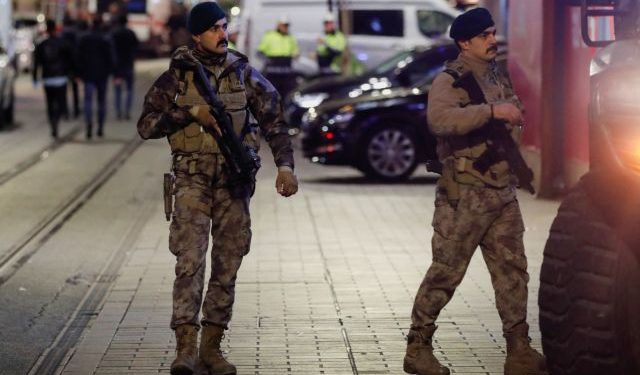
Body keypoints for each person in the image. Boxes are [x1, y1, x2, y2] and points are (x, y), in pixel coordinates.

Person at [136, 2, 299, 375]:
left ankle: (212, 346)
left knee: (228, 264)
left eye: (224, 26)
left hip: (234, 183)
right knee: (189, 263)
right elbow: (146, 125)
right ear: (196, 35)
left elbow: (274, 119)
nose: (222, 34)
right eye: (213, 29)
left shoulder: (243, 73)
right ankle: (185, 349)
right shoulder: (176, 77)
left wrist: (285, 167)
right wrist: (188, 112)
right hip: (192, 180)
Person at [403, 8, 548, 375]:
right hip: (464, 195)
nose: (491, 40)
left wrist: (507, 113)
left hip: (501, 192)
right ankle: (418, 348)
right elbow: (440, 120)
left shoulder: (497, 73)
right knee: (446, 273)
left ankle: (519, 352)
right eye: (484, 35)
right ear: (464, 42)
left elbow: (512, 111)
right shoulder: (450, 80)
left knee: (512, 272)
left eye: (493, 33)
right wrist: (493, 111)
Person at [32, 19, 73, 139]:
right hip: (60, 79)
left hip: (48, 79)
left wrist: (35, 78)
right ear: (56, 29)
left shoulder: (41, 45)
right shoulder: (63, 43)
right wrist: (71, 73)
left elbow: (36, 63)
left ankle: (53, 123)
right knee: (60, 103)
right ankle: (56, 120)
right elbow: (70, 60)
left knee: (50, 104)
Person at [77, 15, 115, 139]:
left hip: (88, 74)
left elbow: (79, 57)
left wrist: (79, 73)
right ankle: (100, 128)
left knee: (88, 101)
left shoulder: (84, 38)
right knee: (101, 101)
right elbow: (111, 58)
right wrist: (112, 72)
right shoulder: (105, 39)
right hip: (102, 75)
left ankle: (89, 125)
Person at [257, 16, 299, 96]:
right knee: (272, 95)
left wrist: (296, 54)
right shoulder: (269, 36)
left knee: (287, 95)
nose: (286, 27)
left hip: (286, 74)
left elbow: (295, 51)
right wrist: (267, 60)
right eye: (284, 25)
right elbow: (259, 52)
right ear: (279, 25)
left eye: (287, 25)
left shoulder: (290, 37)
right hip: (273, 73)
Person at [111, 14, 139, 120]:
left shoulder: (113, 33)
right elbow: (136, 46)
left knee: (117, 90)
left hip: (117, 67)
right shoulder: (130, 33)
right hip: (128, 65)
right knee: (129, 89)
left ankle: (118, 111)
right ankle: (127, 111)